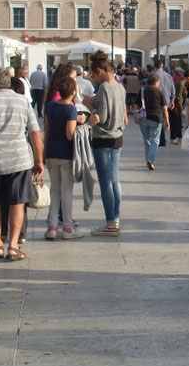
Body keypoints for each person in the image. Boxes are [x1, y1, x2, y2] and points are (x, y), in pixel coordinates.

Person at [0, 66, 44, 262]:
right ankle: (13, 245)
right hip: (19, 160)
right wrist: (39, 160)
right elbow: (34, 132)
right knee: (17, 202)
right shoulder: (22, 101)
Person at [83, 51, 127, 236]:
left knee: (105, 182)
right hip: (117, 137)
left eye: (94, 75)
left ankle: (110, 223)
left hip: (103, 138)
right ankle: (115, 218)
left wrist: (89, 107)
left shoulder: (104, 87)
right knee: (115, 180)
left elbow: (102, 116)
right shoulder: (120, 87)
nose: (94, 79)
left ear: (100, 71)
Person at [44, 75, 82, 240]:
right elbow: (69, 135)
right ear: (73, 92)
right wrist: (80, 123)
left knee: (54, 190)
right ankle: (67, 228)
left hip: (51, 150)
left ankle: (52, 227)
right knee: (67, 191)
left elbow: (46, 129)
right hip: (65, 153)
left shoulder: (51, 106)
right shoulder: (71, 110)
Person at [136, 73, 170, 170]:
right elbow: (165, 109)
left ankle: (148, 159)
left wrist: (136, 115)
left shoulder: (142, 90)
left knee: (146, 139)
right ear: (156, 82)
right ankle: (150, 159)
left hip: (143, 118)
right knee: (155, 140)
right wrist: (167, 122)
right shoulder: (160, 92)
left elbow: (136, 105)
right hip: (156, 118)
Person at [153, 60, 175, 147]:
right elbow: (173, 89)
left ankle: (161, 139)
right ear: (162, 66)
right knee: (164, 118)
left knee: (159, 120)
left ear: (155, 66)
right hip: (167, 101)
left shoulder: (153, 75)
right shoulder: (169, 76)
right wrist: (172, 100)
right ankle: (164, 138)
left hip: (156, 101)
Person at [170, 69, 189, 144]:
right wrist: (181, 109)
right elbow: (179, 97)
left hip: (177, 105)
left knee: (177, 122)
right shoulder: (181, 83)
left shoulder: (183, 82)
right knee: (176, 122)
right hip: (176, 106)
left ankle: (178, 137)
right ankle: (175, 137)